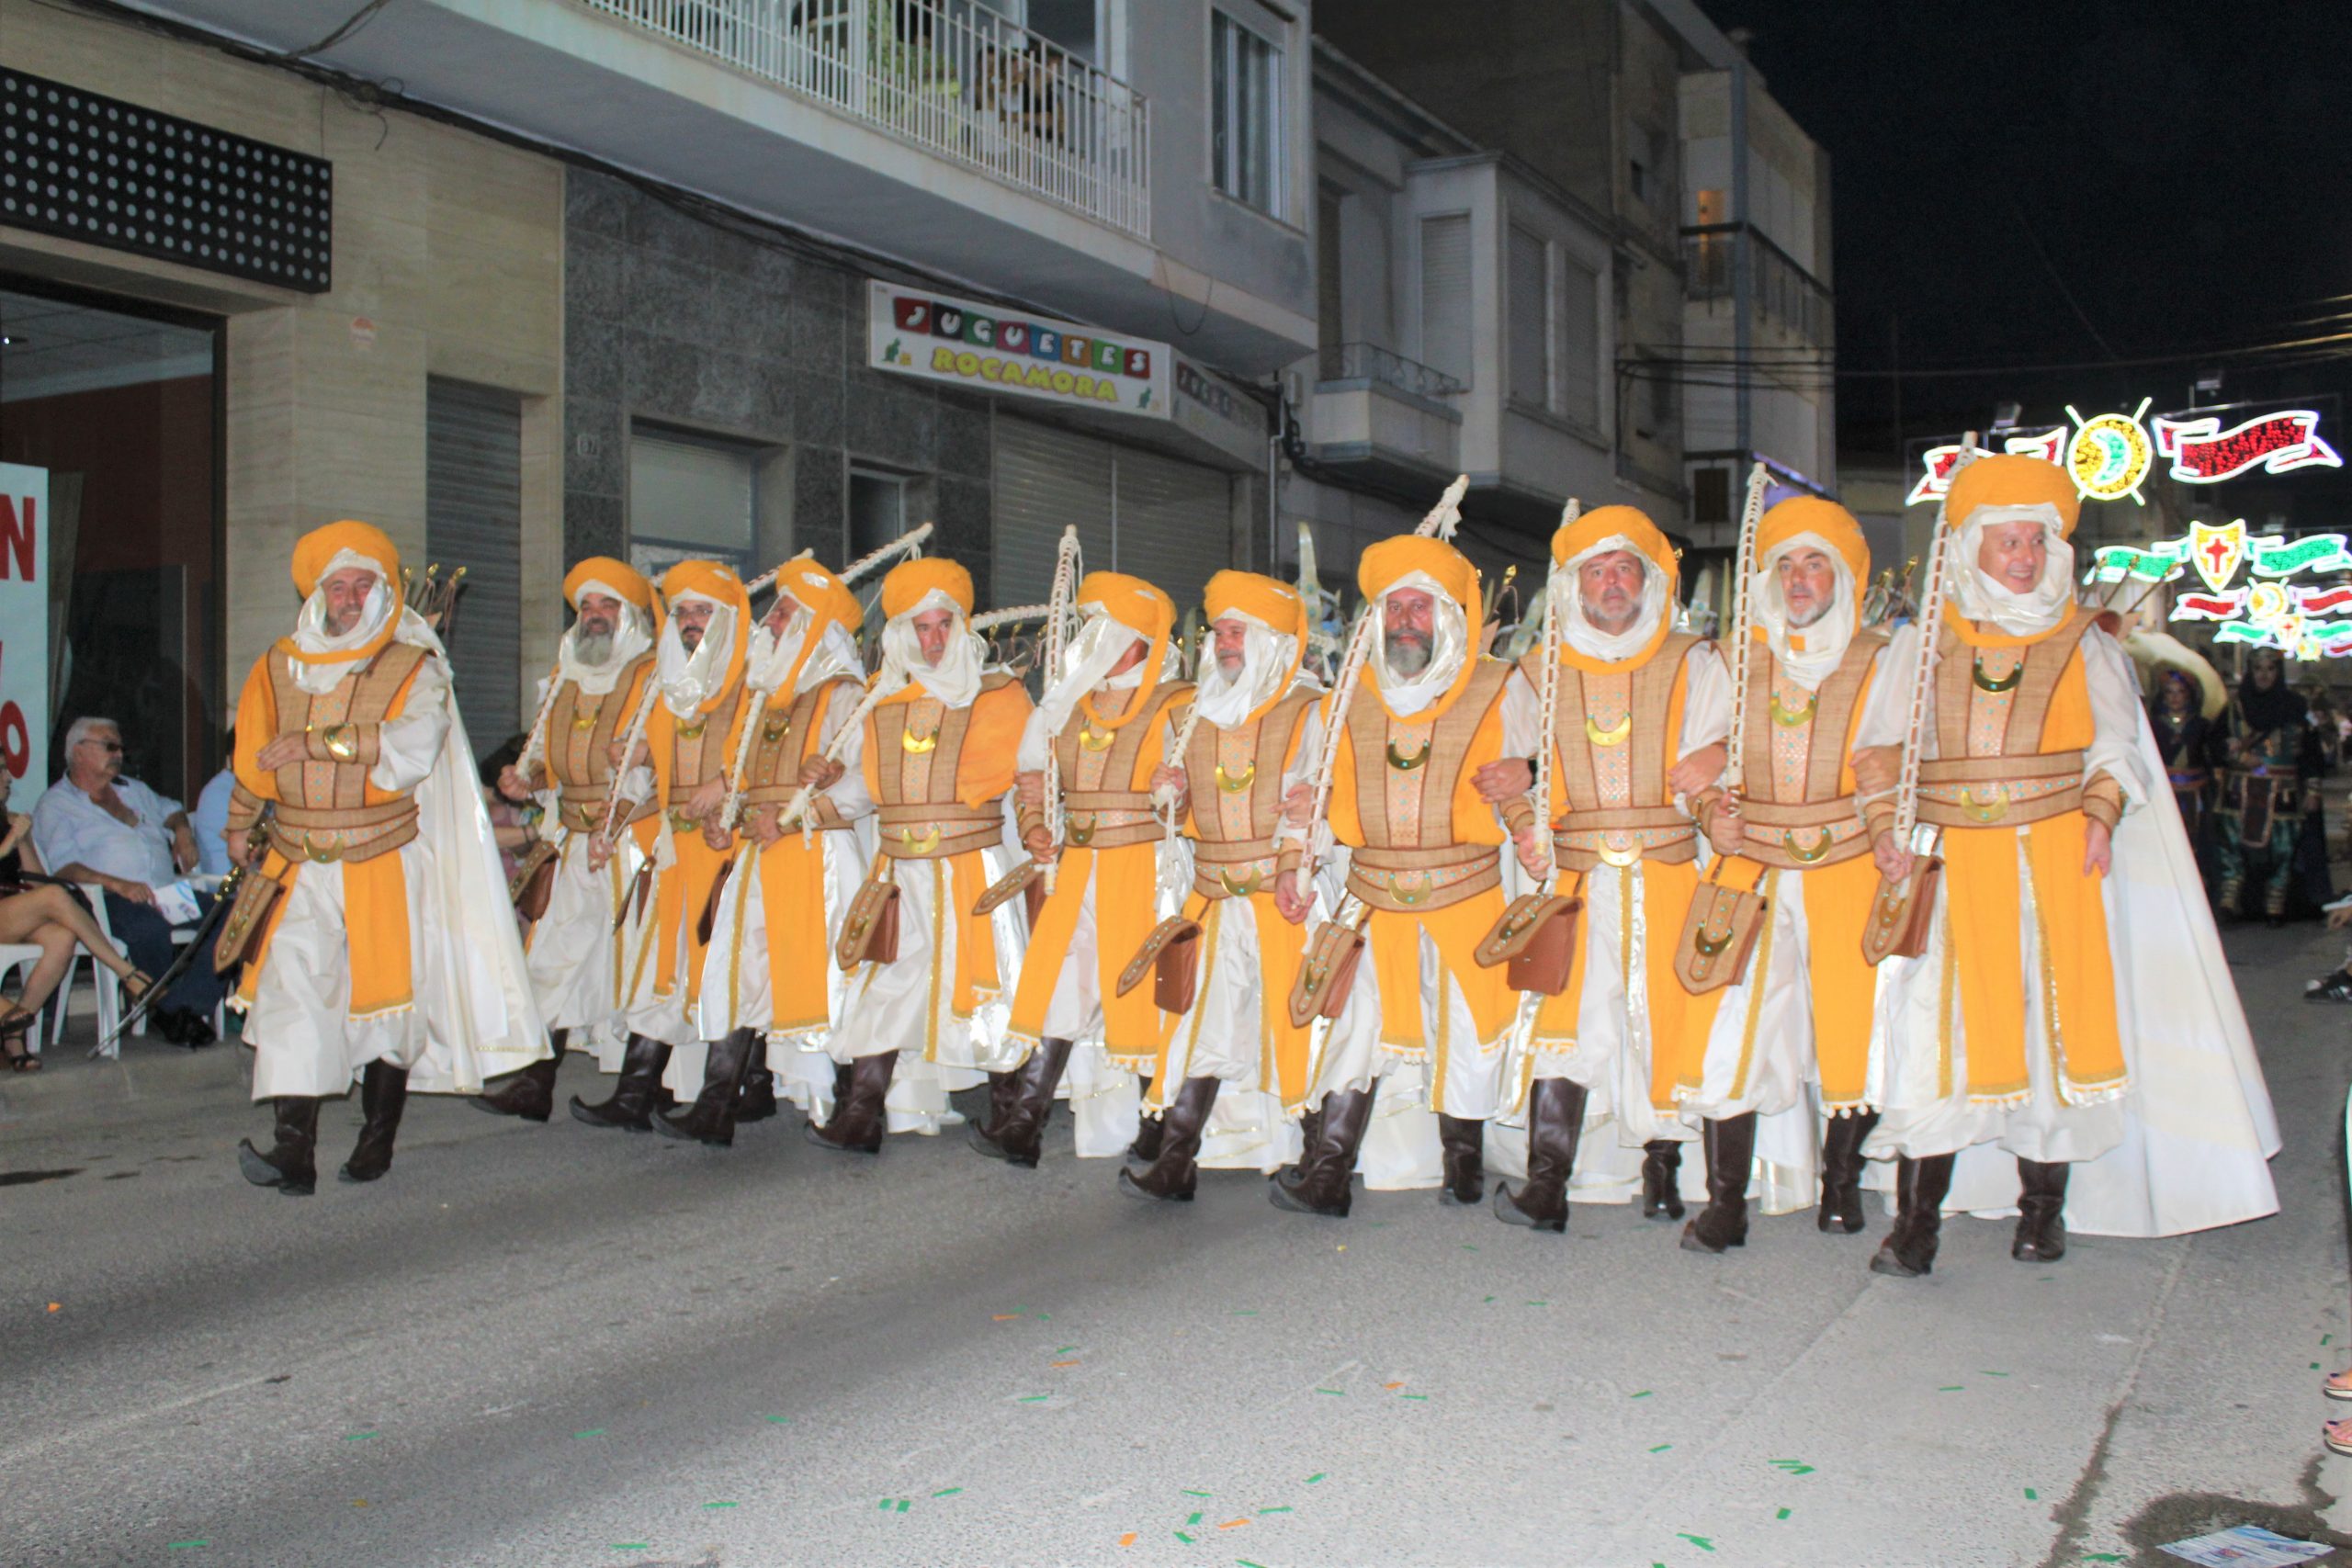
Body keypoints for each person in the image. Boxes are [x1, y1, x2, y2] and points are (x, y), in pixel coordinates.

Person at [1857, 455, 2278, 1274]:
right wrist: (1884, 827)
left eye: (2035, 541)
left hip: (2053, 862)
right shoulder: (1924, 640)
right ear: (1973, 548)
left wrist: (2101, 814)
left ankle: (2040, 1212)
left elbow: (2116, 748)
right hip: (1950, 864)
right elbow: (1878, 752)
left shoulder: (2087, 643)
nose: (2024, 556)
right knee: (1934, 1035)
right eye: (2008, 541)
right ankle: (1915, 1226)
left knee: (2048, 1033)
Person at [224, 520, 545, 1194]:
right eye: (337, 586)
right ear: (318, 594)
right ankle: (293, 1151)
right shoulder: (278, 663)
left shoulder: (413, 666)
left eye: (361, 585)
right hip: (295, 860)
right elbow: (254, 753)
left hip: (382, 858)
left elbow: (413, 744)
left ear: (382, 593)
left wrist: (320, 743)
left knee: (386, 1001)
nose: (348, 598)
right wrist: (239, 824)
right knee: (290, 993)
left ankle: (376, 1138)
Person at [1475, 505, 1732, 1232]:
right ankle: (1547, 1184)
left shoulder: (1693, 659)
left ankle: (1662, 1172)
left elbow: (1717, 756)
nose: (1612, 582)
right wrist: (1523, 824)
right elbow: (1510, 773)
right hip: (1576, 879)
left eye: (1624, 568)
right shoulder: (1537, 671)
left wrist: (1717, 772)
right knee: (1563, 1020)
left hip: (1669, 871)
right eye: (1596, 570)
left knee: (1666, 1017)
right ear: (1574, 585)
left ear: (1647, 580)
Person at [1270, 532, 1536, 1220]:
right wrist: (1294, 860)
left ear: (1447, 616)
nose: (1406, 622)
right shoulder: (1344, 699)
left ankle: (1463, 1167)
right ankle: (1329, 1174)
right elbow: (1312, 795)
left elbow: (1534, 770)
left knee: (1467, 1032)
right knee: (1350, 1027)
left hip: (1465, 891)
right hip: (1370, 896)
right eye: (1394, 608)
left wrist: (1529, 797)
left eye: (1421, 607)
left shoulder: (1498, 688)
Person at [1676, 498, 1893, 1252]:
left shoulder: (1882, 657)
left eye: (1815, 563)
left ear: (1844, 576)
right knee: (1729, 1026)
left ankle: (1841, 1183)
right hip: (1751, 867)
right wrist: (1711, 811)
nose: (1799, 579)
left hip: (1850, 863)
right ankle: (1725, 1203)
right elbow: (1697, 765)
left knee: (1853, 1027)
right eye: (1786, 565)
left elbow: (1904, 755)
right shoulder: (1735, 659)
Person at [810, 558, 1033, 1154]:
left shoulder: (999, 694)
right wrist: (817, 798)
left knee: (990, 985)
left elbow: (1009, 774)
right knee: (884, 981)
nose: (933, 640)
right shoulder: (880, 702)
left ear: (961, 627)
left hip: (970, 865)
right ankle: (862, 1115)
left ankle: (1012, 1117)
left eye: (943, 625)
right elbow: (866, 787)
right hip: (898, 871)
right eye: (921, 627)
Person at [1121, 571, 1320, 1202]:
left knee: (1295, 1026)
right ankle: (1176, 1160)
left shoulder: (1308, 708)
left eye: (1239, 633)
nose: (1226, 644)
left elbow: (1314, 803)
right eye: (1221, 632)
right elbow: (1175, 816)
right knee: (1195, 1024)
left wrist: (1295, 858)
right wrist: (1169, 795)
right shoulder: (1188, 713)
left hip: (1282, 897)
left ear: (1270, 642)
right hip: (1210, 894)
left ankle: (1317, 1160)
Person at [983, 572, 1188, 1168]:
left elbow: (1201, 791)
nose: (1094, 639)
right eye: (1092, 627)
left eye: (1107, 628)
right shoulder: (1071, 703)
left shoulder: (1179, 703)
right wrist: (1034, 825)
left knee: (1143, 990)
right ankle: (1025, 1122)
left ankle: (1157, 1125)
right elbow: (1033, 778)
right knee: (1059, 982)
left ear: (1141, 640)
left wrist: (1177, 790)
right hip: (1077, 868)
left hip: (1145, 867)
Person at [666, 558, 872, 1147]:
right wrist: (724, 823)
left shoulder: (844, 696)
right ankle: (716, 1107)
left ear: (813, 627)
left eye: (783, 614)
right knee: (740, 971)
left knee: (827, 979)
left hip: (818, 856)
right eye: (775, 612)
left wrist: (800, 812)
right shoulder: (763, 699)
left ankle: (848, 1111)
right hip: (759, 857)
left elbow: (866, 785)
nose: (771, 623)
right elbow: (741, 781)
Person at [472, 559, 660, 1122]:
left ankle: (640, 1093)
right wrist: (525, 781)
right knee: (550, 956)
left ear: (630, 616)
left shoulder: (655, 676)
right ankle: (535, 1085)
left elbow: (663, 765)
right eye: (587, 607)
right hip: (572, 838)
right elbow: (545, 761)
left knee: (639, 961)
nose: (595, 616)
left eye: (608, 606)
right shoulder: (562, 677)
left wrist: (616, 817)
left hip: (633, 841)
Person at [571, 560, 752, 1134]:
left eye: (703, 611)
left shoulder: (756, 676)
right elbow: (644, 773)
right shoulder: (662, 682)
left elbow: (780, 757)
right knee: (660, 966)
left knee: (724, 970)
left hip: (733, 849)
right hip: (675, 849)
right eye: (682, 612)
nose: (691, 621)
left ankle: (718, 1107)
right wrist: (616, 811)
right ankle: (634, 1097)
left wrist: (728, 783)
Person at [33, 716, 226, 1045]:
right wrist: (117, 884)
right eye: (110, 746)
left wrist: (182, 830)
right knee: (149, 928)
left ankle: (180, 1007)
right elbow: (63, 868)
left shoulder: (134, 790)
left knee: (233, 915)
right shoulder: (57, 804)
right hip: (107, 899)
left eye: (120, 747)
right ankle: (171, 1012)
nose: (119, 754)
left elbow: (171, 808)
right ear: (78, 751)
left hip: (166, 895)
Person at [0, 789, 158, 1070]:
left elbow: (38, 883)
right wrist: (8, 842)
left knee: (63, 937)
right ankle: (126, 972)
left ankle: (14, 1034)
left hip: (12, 909)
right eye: (1, 771)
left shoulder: (10, 820)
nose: (7, 778)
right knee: (54, 896)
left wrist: (23, 840)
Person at [2213, 650, 2319, 926]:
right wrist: (2237, 755)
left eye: (2270, 669)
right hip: (2240, 789)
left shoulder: (2294, 707)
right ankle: (2229, 904)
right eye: (2258, 668)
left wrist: (2313, 789)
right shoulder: (2235, 708)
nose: (2263, 675)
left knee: (2283, 848)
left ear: (2278, 672)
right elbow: (2213, 744)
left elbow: (2310, 753)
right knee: (2232, 846)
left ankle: (2276, 906)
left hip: (2282, 790)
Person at [191, 727, 237, 876]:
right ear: (234, 754)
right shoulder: (218, 793)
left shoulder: (259, 789)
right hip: (228, 885)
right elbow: (245, 850)